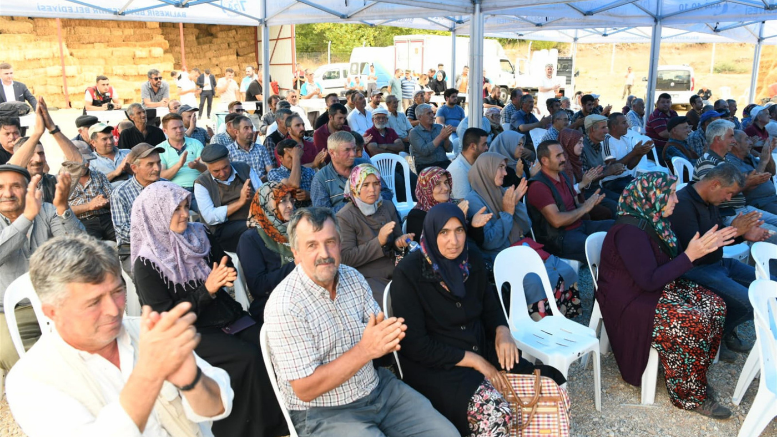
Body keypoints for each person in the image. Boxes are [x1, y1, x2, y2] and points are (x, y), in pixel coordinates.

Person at [6, 235, 233, 437]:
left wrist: (191, 380)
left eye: (117, 291)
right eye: (94, 302)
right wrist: (150, 372)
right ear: (52, 312)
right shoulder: (30, 380)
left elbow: (217, 408)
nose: (114, 310)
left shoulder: (146, 332)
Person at [263, 207, 459, 437]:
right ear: (296, 253)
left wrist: (390, 335)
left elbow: (377, 334)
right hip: (323, 411)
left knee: (446, 434)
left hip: (376, 388)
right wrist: (366, 350)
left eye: (331, 242)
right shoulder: (285, 304)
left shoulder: (352, 277)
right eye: (312, 245)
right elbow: (305, 389)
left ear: (340, 243)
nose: (324, 253)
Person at [391, 202, 567, 435]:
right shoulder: (409, 273)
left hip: (479, 346)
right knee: (495, 415)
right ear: (432, 233)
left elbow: (489, 304)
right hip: (439, 367)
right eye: (444, 232)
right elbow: (415, 345)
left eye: (459, 230)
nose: (453, 241)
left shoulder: (470, 259)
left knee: (549, 381)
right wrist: (474, 360)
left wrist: (502, 331)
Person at [130, 181, 288, 437]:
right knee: (247, 358)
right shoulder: (148, 263)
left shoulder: (199, 234)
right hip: (189, 332)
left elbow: (223, 267)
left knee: (270, 343)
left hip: (225, 316)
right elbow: (165, 319)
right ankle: (252, 431)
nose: (185, 214)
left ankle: (283, 420)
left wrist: (226, 274)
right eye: (176, 210)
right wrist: (207, 290)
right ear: (156, 215)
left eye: (185, 206)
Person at [598, 173, 733, 419]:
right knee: (693, 320)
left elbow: (669, 266)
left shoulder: (656, 222)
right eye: (670, 193)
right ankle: (689, 396)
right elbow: (649, 281)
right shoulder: (630, 231)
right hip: (630, 300)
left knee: (716, 305)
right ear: (652, 197)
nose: (676, 199)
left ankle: (694, 374)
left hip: (653, 287)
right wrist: (691, 255)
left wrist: (704, 247)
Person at [464, 152, 582, 318]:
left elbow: (526, 226)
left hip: (519, 248)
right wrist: (507, 213)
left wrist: (517, 204)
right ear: (487, 170)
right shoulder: (473, 201)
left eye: (505, 167)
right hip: (498, 257)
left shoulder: (502, 191)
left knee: (564, 270)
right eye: (500, 168)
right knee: (534, 280)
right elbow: (489, 242)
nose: (505, 173)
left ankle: (562, 318)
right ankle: (539, 327)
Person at [670, 163, 767, 358]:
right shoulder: (683, 204)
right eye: (729, 193)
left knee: (766, 284)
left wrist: (743, 235)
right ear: (715, 184)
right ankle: (714, 339)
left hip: (718, 263)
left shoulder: (710, 200)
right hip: (695, 269)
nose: (729, 198)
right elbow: (696, 252)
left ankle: (722, 329)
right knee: (750, 302)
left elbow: (717, 234)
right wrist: (735, 231)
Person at [0, 164, 83, 371]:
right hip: (10, 312)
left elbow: (80, 251)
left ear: (30, 189)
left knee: (83, 353)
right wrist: (26, 218)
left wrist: (63, 207)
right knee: (14, 355)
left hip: (59, 305)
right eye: (0, 187)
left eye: (15, 186)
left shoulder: (47, 210)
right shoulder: (32, 213)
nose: (7, 194)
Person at [527, 140, 614, 263]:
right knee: (604, 248)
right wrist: (584, 208)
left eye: (563, 154)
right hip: (560, 239)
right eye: (558, 156)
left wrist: (588, 204)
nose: (563, 159)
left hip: (579, 226)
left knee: (617, 227)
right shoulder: (538, 186)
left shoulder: (562, 176)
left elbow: (575, 206)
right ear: (544, 161)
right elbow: (556, 221)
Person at [336, 164, 413, 302]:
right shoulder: (345, 217)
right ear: (355, 187)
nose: (372, 190)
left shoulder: (387, 206)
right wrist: (379, 242)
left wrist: (400, 242)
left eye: (376, 183)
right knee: (395, 303)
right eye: (365, 185)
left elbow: (395, 241)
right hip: (368, 277)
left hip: (395, 269)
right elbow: (346, 258)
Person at [236, 181, 297, 322]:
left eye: (291, 200)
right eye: (282, 201)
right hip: (272, 304)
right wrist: (296, 264)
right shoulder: (250, 239)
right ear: (267, 204)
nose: (290, 206)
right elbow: (258, 286)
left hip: (303, 294)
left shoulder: (295, 229)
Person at [194, 143, 260, 252]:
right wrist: (240, 202)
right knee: (253, 230)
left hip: (253, 219)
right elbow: (210, 217)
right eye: (216, 171)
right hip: (223, 229)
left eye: (225, 167)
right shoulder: (202, 183)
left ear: (229, 160)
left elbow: (263, 195)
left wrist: (253, 196)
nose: (223, 173)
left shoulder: (244, 168)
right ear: (207, 167)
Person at [110, 143, 165, 272]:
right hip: (135, 250)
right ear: (134, 168)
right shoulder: (120, 193)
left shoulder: (167, 186)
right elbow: (123, 231)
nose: (157, 168)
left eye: (158, 163)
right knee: (149, 278)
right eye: (150, 164)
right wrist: (156, 236)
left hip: (167, 245)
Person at [405, 166, 491, 245]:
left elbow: (477, 242)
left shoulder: (456, 204)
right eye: (438, 184)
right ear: (426, 188)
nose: (446, 188)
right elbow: (426, 247)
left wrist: (475, 226)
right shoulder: (417, 215)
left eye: (446, 182)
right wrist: (456, 218)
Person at [311, 131, 392, 213]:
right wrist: (356, 203)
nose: (353, 154)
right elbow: (322, 215)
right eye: (347, 150)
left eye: (354, 149)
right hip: (345, 223)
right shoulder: (321, 178)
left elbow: (387, 193)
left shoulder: (364, 165)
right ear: (332, 153)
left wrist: (372, 199)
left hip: (375, 217)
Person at [557, 128, 613, 219]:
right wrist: (583, 183)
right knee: (604, 212)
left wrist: (588, 179)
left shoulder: (575, 160)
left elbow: (581, 184)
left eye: (582, 142)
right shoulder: (563, 166)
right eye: (579, 143)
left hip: (580, 200)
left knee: (607, 211)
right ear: (569, 143)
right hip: (569, 209)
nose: (582, 146)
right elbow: (566, 193)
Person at [67, 142, 115, 241]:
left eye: (88, 160)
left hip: (106, 218)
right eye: (82, 161)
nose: (86, 164)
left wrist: (104, 202)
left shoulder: (99, 175)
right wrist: (89, 206)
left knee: (122, 243)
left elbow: (114, 201)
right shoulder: (63, 180)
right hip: (83, 222)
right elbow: (62, 210)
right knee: (94, 249)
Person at [727, 129, 777, 215]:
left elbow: (772, 172)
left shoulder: (748, 156)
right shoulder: (730, 162)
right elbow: (752, 182)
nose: (751, 142)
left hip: (772, 198)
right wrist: (763, 162)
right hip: (760, 203)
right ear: (735, 143)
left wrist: (769, 154)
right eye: (746, 139)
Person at [158, 113, 206, 195]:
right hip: (174, 190)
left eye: (181, 127)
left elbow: (208, 170)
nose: (179, 130)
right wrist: (179, 165)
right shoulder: (160, 149)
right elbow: (162, 177)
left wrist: (197, 166)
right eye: (174, 128)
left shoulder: (196, 143)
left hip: (198, 187)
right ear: (165, 131)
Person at [409, 103, 454, 173]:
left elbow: (449, 149)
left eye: (432, 113)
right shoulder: (414, 132)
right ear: (419, 117)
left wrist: (446, 139)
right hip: (426, 166)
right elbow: (425, 151)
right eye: (428, 113)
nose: (432, 116)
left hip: (443, 163)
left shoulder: (439, 127)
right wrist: (441, 136)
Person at [85, 122, 131, 188]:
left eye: (111, 138)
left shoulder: (127, 153)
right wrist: (115, 173)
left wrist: (130, 169)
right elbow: (92, 186)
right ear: (93, 142)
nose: (110, 142)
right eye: (104, 139)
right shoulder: (90, 162)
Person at [448, 127, 489, 199]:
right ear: (473, 146)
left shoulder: (473, 164)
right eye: (484, 144)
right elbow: (464, 204)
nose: (487, 148)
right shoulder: (459, 170)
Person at [646, 93, 679, 162]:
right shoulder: (656, 115)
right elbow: (664, 134)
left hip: (670, 145)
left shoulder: (673, 113)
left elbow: (680, 126)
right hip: (656, 148)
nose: (666, 104)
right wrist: (680, 134)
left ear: (671, 103)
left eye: (668, 102)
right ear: (658, 103)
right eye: (663, 102)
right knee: (675, 163)